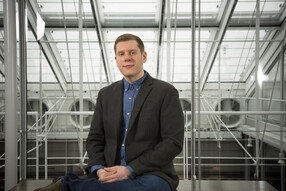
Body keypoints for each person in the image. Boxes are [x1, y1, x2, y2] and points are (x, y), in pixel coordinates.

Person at [34, 33, 184, 191]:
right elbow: (95, 139)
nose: (127, 58)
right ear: (116, 60)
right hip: (109, 171)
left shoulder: (166, 92)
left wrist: (130, 170)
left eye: (132, 52)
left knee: (148, 188)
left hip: (152, 173)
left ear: (144, 56)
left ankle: (66, 185)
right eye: (121, 54)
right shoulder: (105, 94)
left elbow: (172, 143)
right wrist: (99, 169)